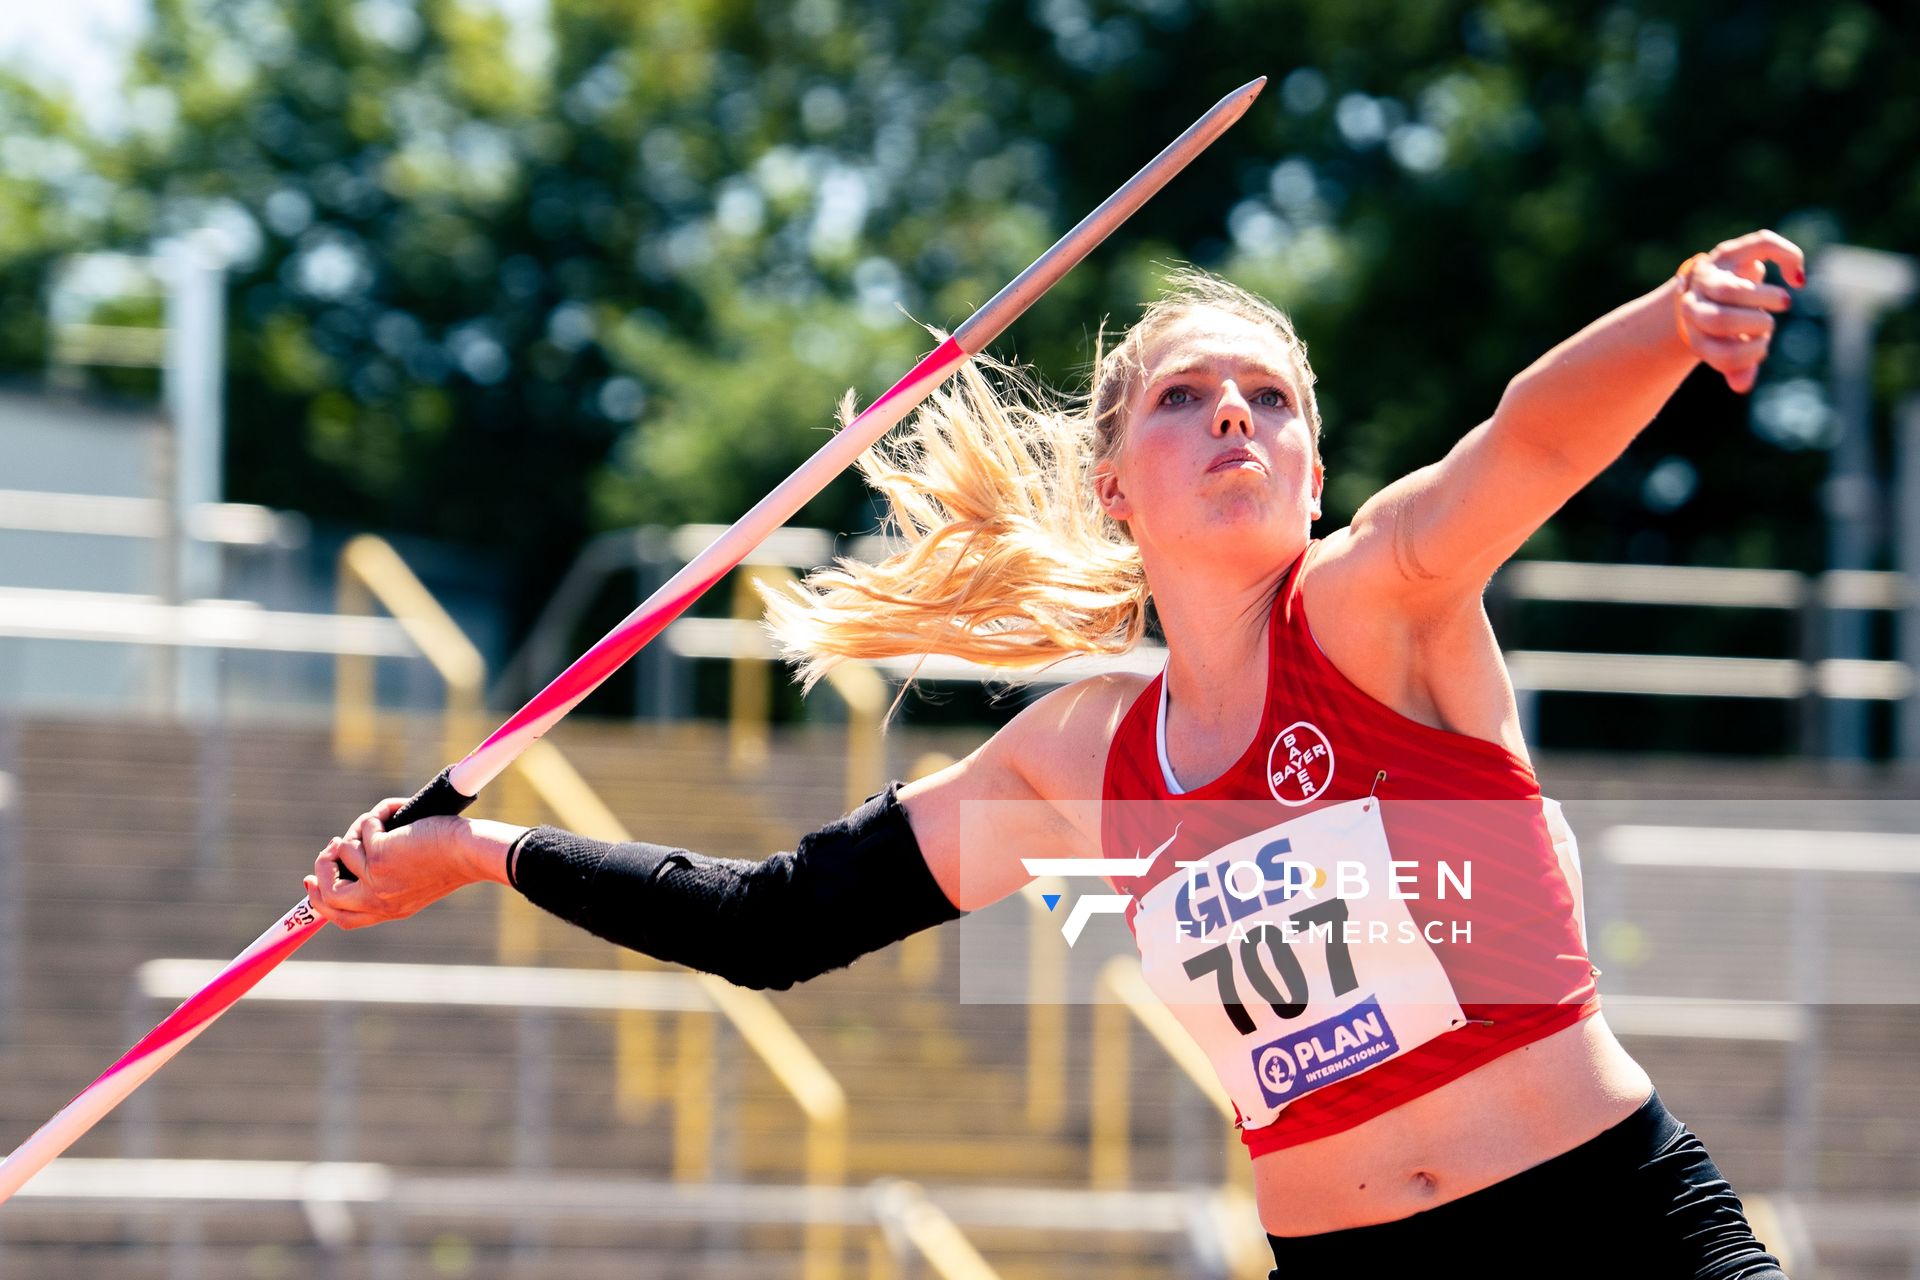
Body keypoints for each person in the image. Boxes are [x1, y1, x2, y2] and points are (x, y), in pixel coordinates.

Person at [306, 231, 1804, 1278]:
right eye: (1185, 397)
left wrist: (1673, 321)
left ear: (1314, 470)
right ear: (1114, 489)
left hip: (1613, 1235)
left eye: (1271, 398)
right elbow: (777, 924)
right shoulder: (1078, 760)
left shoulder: (1378, 608)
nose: (1235, 412)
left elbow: (1526, 443)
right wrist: (476, 851)